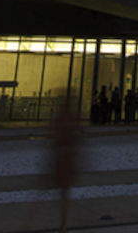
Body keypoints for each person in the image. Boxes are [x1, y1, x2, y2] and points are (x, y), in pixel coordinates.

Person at [49, 95, 81, 233]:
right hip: (65, 161)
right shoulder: (70, 120)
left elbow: (55, 138)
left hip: (63, 161)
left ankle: (63, 224)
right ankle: (63, 224)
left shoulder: (63, 120)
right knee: (64, 194)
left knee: (63, 193)